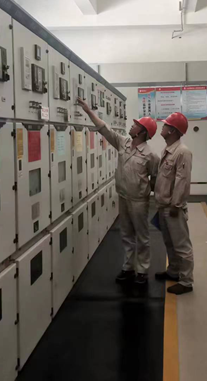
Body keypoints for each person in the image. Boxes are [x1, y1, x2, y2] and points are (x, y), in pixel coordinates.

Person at [77, 97, 159, 284]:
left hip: (139, 200)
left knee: (142, 236)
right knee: (126, 234)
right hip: (123, 196)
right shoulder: (123, 143)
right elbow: (105, 129)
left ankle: (142, 270)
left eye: (136, 125)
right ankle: (128, 267)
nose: (132, 126)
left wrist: (151, 196)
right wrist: (88, 111)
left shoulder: (151, 155)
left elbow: (155, 178)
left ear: (142, 132)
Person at [154, 112, 194, 295]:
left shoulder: (182, 152)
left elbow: (182, 181)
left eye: (165, 125)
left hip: (172, 207)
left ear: (172, 130)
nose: (162, 127)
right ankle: (174, 271)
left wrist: (176, 205)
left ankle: (186, 281)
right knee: (169, 242)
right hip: (163, 205)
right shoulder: (168, 149)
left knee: (182, 245)